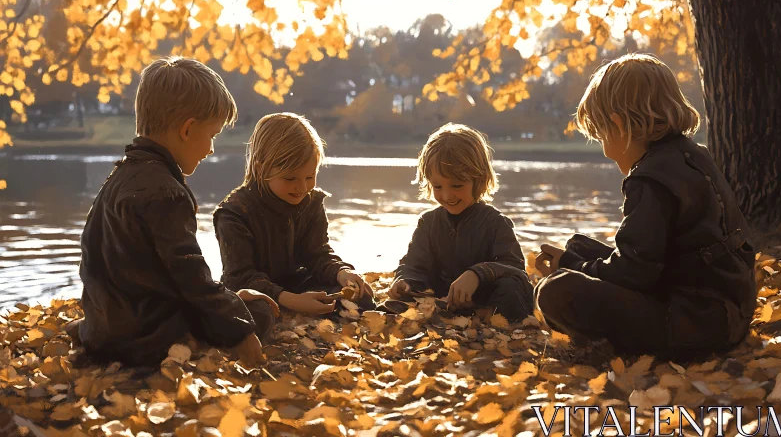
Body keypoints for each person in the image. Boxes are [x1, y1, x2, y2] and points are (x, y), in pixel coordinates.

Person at [533, 53, 756, 358]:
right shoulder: (695, 155)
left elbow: (632, 273)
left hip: (694, 323)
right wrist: (575, 259)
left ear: (619, 125)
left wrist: (572, 268)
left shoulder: (648, 179)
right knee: (578, 245)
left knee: (554, 292)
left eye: (600, 135)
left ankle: (606, 346)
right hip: (730, 309)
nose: (604, 149)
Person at [75, 57, 277, 367]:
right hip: (147, 338)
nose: (210, 149)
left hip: (102, 329)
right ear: (187, 130)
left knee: (231, 301)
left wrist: (229, 299)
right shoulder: (168, 194)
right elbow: (191, 277)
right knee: (259, 314)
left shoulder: (115, 181)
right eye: (211, 135)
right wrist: (240, 327)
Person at [214, 113, 375, 316]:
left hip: (299, 283)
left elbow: (318, 254)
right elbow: (239, 277)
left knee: (360, 298)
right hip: (255, 292)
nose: (301, 187)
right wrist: (290, 300)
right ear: (261, 169)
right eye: (290, 178)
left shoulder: (311, 202)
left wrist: (341, 271)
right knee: (258, 313)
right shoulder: (233, 213)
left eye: (309, 176)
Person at [388, 123, 534, 322]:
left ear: (479, 179)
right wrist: (404, 280)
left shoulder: (496, 223)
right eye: (437, 186)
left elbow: (516, 269)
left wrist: (477, 274)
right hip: (442, 300)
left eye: (457, 185)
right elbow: (414, 264)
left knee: (512, 286)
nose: (447, 195)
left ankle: (487, 317)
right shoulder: (428, 222)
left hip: (485, 300)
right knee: (399, 299)